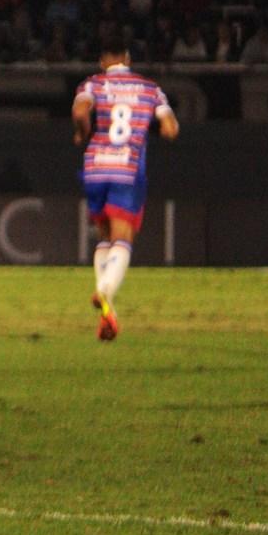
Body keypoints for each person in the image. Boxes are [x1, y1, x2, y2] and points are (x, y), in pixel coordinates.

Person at [72, 37, 179, 341]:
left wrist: (83, 133)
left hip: (95, 167)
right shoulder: (150, 89)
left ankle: (108, 312)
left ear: (102, 61)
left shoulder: (91, 84)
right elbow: (171, 129)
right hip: (127, 168)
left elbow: (80, 113)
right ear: (128, 58)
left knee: (104, 238)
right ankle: (104, 290)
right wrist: (155, 127)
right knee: (123, 237)